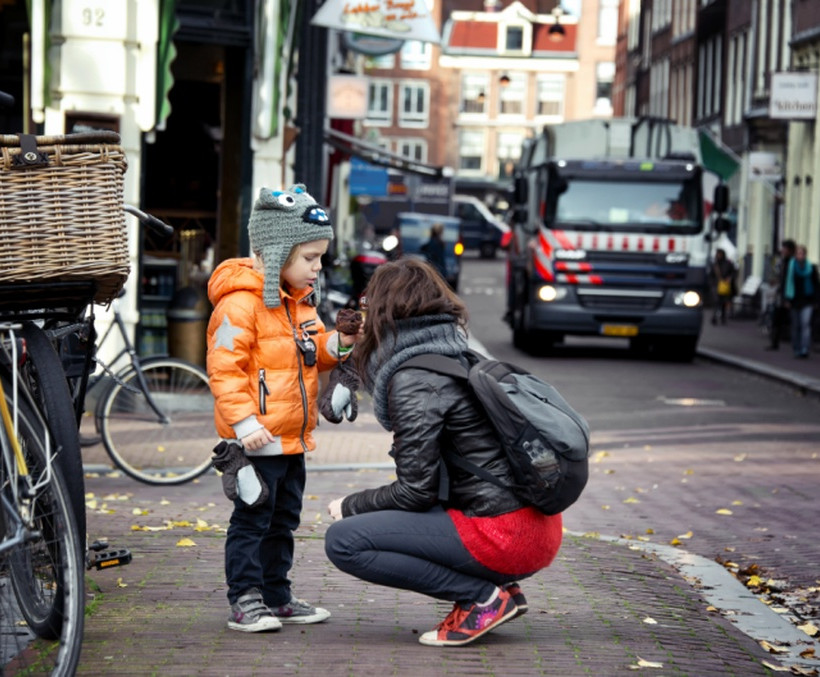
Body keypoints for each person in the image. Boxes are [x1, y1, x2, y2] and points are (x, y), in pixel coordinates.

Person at [323, 258, 563, 647]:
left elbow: (415, 491)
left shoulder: (415, 378)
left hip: (505, 534)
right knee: (382, 524)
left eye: (367, 305)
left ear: (388, 311)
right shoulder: (454, 356)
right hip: (535, 526)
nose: (361, 316)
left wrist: (351, 505)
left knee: (345, 541)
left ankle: (481, 598)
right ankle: (497, 589)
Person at [206, 184, 362, 633]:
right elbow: (224, 368)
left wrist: (342, 343)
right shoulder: (240, 305)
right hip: (255, 438)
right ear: (276, 253)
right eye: (309, 257)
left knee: (283, 521)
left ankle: (277, 594)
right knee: (253, 518)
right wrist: (243, 421)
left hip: (291, 438)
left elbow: (314, 349)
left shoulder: (299, 303)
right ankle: (246, 599)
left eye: (319, 258)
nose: (318, 267)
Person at [783, 244, 820, 358]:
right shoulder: (791, 267)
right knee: (796, 325)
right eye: (798, 253)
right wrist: (786, 299)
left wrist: (816, 300)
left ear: (805, 254)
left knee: (805, 324)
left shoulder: (811, 267)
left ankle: (805, 348)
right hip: (794, 299)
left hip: (807, 300)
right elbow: (785, 283)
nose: (800, 255)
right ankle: (796, 347)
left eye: (802, 253)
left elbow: (816, 284)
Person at [766, 239, 796, 350]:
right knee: (776, 318)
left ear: (790, 250)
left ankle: (797, 345)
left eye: (785, 248)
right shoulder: (782, 261)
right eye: (782, 248)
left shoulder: (793, 263)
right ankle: (774, 342)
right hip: (781, 294)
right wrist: (775, 281)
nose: (782, 250)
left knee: (792, 320)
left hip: (790, 295)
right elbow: (779, 275)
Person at [711, 248, 736, 325]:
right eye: (718, 254)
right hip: (716, 285)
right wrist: (712, 283)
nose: (719, 256)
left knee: (723, 302)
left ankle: (722, 317)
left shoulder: (728, 263)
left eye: (720, 254)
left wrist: (730, 278)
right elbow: (711, 275)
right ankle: (714, 317)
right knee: (716, 301)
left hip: (725, 285)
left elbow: (734, 272)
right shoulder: (715, 264)